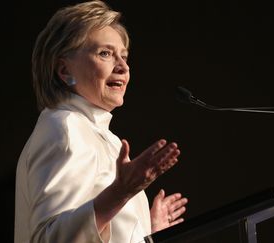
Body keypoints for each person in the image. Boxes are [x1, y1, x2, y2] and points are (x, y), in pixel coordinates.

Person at [14, 1, 188, 242]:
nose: (123, 67)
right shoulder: (64, 128)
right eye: (105, 53)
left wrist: (145, 231)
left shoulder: (104, 137)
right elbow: (50, 238)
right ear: (64, 71)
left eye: (124, 56)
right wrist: (120, 193)